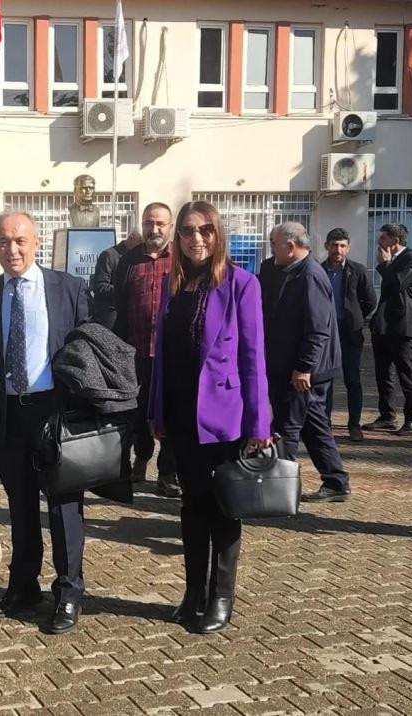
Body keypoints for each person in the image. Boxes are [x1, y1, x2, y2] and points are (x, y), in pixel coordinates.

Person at [0, 211, 91, 635]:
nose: (12, 250)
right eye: (3, 242)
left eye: (20, 241)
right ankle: (23, 587)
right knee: (21, 506)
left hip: (55, 414)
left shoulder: (69, 289)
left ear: (36, 243)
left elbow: (88, 351)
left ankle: (68, 593)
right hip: (9, 414)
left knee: (64, 507)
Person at [149, 201, 272, 634]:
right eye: (186, 231)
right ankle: (193, 592)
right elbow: (162, 355)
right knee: (190, 506)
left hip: (225, 418)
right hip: (182, 416)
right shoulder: (173, 285)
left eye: (204, 230)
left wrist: (260, 424)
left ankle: (221, 597)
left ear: (217, 235)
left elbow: (254, 358)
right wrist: (157, 410)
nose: (195, 239)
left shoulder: (242, 284)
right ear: (177, 238)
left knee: (223, 510)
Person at [264, 222, 351, 503]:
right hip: (293, 367)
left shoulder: (310, 275)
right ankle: (336, 481)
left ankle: (281, 493)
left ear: (290, 247)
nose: (271, 249)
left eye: (274, 244)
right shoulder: (284, 270)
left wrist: (304, 367)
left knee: (286, 427)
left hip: (303, 370)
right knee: (313, 426)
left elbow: (318, 329)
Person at [113, 203, 179, 495]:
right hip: (135, 352)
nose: (154, 229)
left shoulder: (181, 258)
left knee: (171, 414)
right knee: (137, 413)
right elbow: (118, 305)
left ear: (170, 226)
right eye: (149, 223)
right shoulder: (128, 261)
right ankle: (141, 459)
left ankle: (167, 474)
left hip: (172, 355)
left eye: (160, 224)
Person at [363, 223, 412, 436]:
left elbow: (397, 284)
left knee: (406, 373)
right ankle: (387, 415)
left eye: (383, 239)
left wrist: (385, 264)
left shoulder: (411, 258)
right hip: (384, 326)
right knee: (383, 374)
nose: (379, 243)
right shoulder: (393, 261)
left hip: (404, 327)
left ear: (394, 241)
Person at [322, 228, 377, 442]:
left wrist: (355, 317)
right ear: (327, 246)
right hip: (325, 334)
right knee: (324, 381)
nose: (338, 250)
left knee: (352, 380)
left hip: (349, 333)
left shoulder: (358, 270)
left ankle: (354, 424)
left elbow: (370, 300)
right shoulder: (318, 270)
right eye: (334, 245)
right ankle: (323, 422)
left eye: (342, 245)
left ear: (348, 247)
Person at [90, 226, 143, 329]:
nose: (142, 247)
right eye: (140, 243)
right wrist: (124, 291)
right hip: (111, 317)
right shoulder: (108, 255)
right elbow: (99, 286)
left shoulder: (138, 258)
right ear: (132, 238)